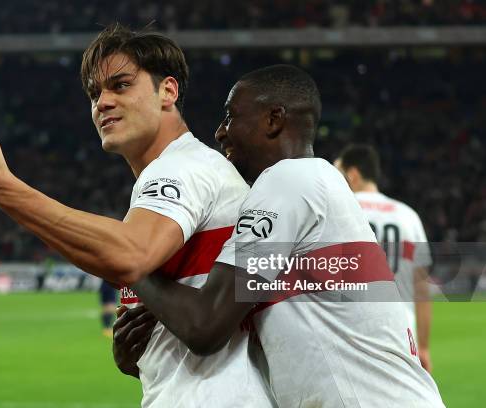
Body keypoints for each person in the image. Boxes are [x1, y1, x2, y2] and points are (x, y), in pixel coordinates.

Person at [0, 24, 273, 408]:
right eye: (94, 93)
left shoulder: (180, 169)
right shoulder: (189, 172)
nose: (102, 102)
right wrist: (138, 356)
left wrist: (1, 187)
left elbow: (130, 257)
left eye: (120, 85)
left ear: (167, 92)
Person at [119, 64, 445, 407]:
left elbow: (205, 325)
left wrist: (132, 261)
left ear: (274, 120)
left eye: (231, 117)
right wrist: (143, 351)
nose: (219, 132)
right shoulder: (314, 187)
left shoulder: (289, 180)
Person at [334, 144, 434, 372]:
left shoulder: (336, 210)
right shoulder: (408, 216)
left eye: (336, 171)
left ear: (353, 175)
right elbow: (421, 289)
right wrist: (425, 347)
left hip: (349, 329)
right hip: (402, 331)